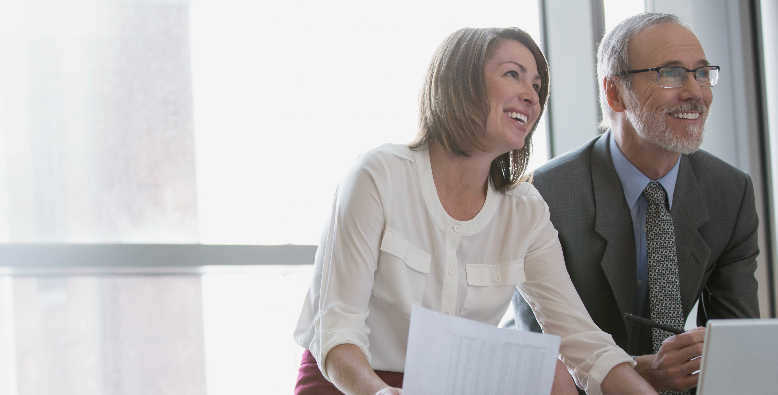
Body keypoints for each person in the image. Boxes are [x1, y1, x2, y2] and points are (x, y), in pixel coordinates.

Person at [293, 27, 659, 395]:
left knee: (554, 375)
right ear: (460, 83)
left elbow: (582, 341)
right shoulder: (379, 175)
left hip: (446, 383)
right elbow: (336, 327)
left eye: (537, 85)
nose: (531, 95)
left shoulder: (525, 210)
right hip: (350, 380)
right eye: (512, 74)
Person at [512, 13, 760, 394]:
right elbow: (539, 365)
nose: (696, 91)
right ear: (614, 93)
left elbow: (738, 353)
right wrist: (636, 372)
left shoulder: (730, 191)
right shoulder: (545, 195)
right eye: (672, 73)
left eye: (702, 72)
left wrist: (710, 363)